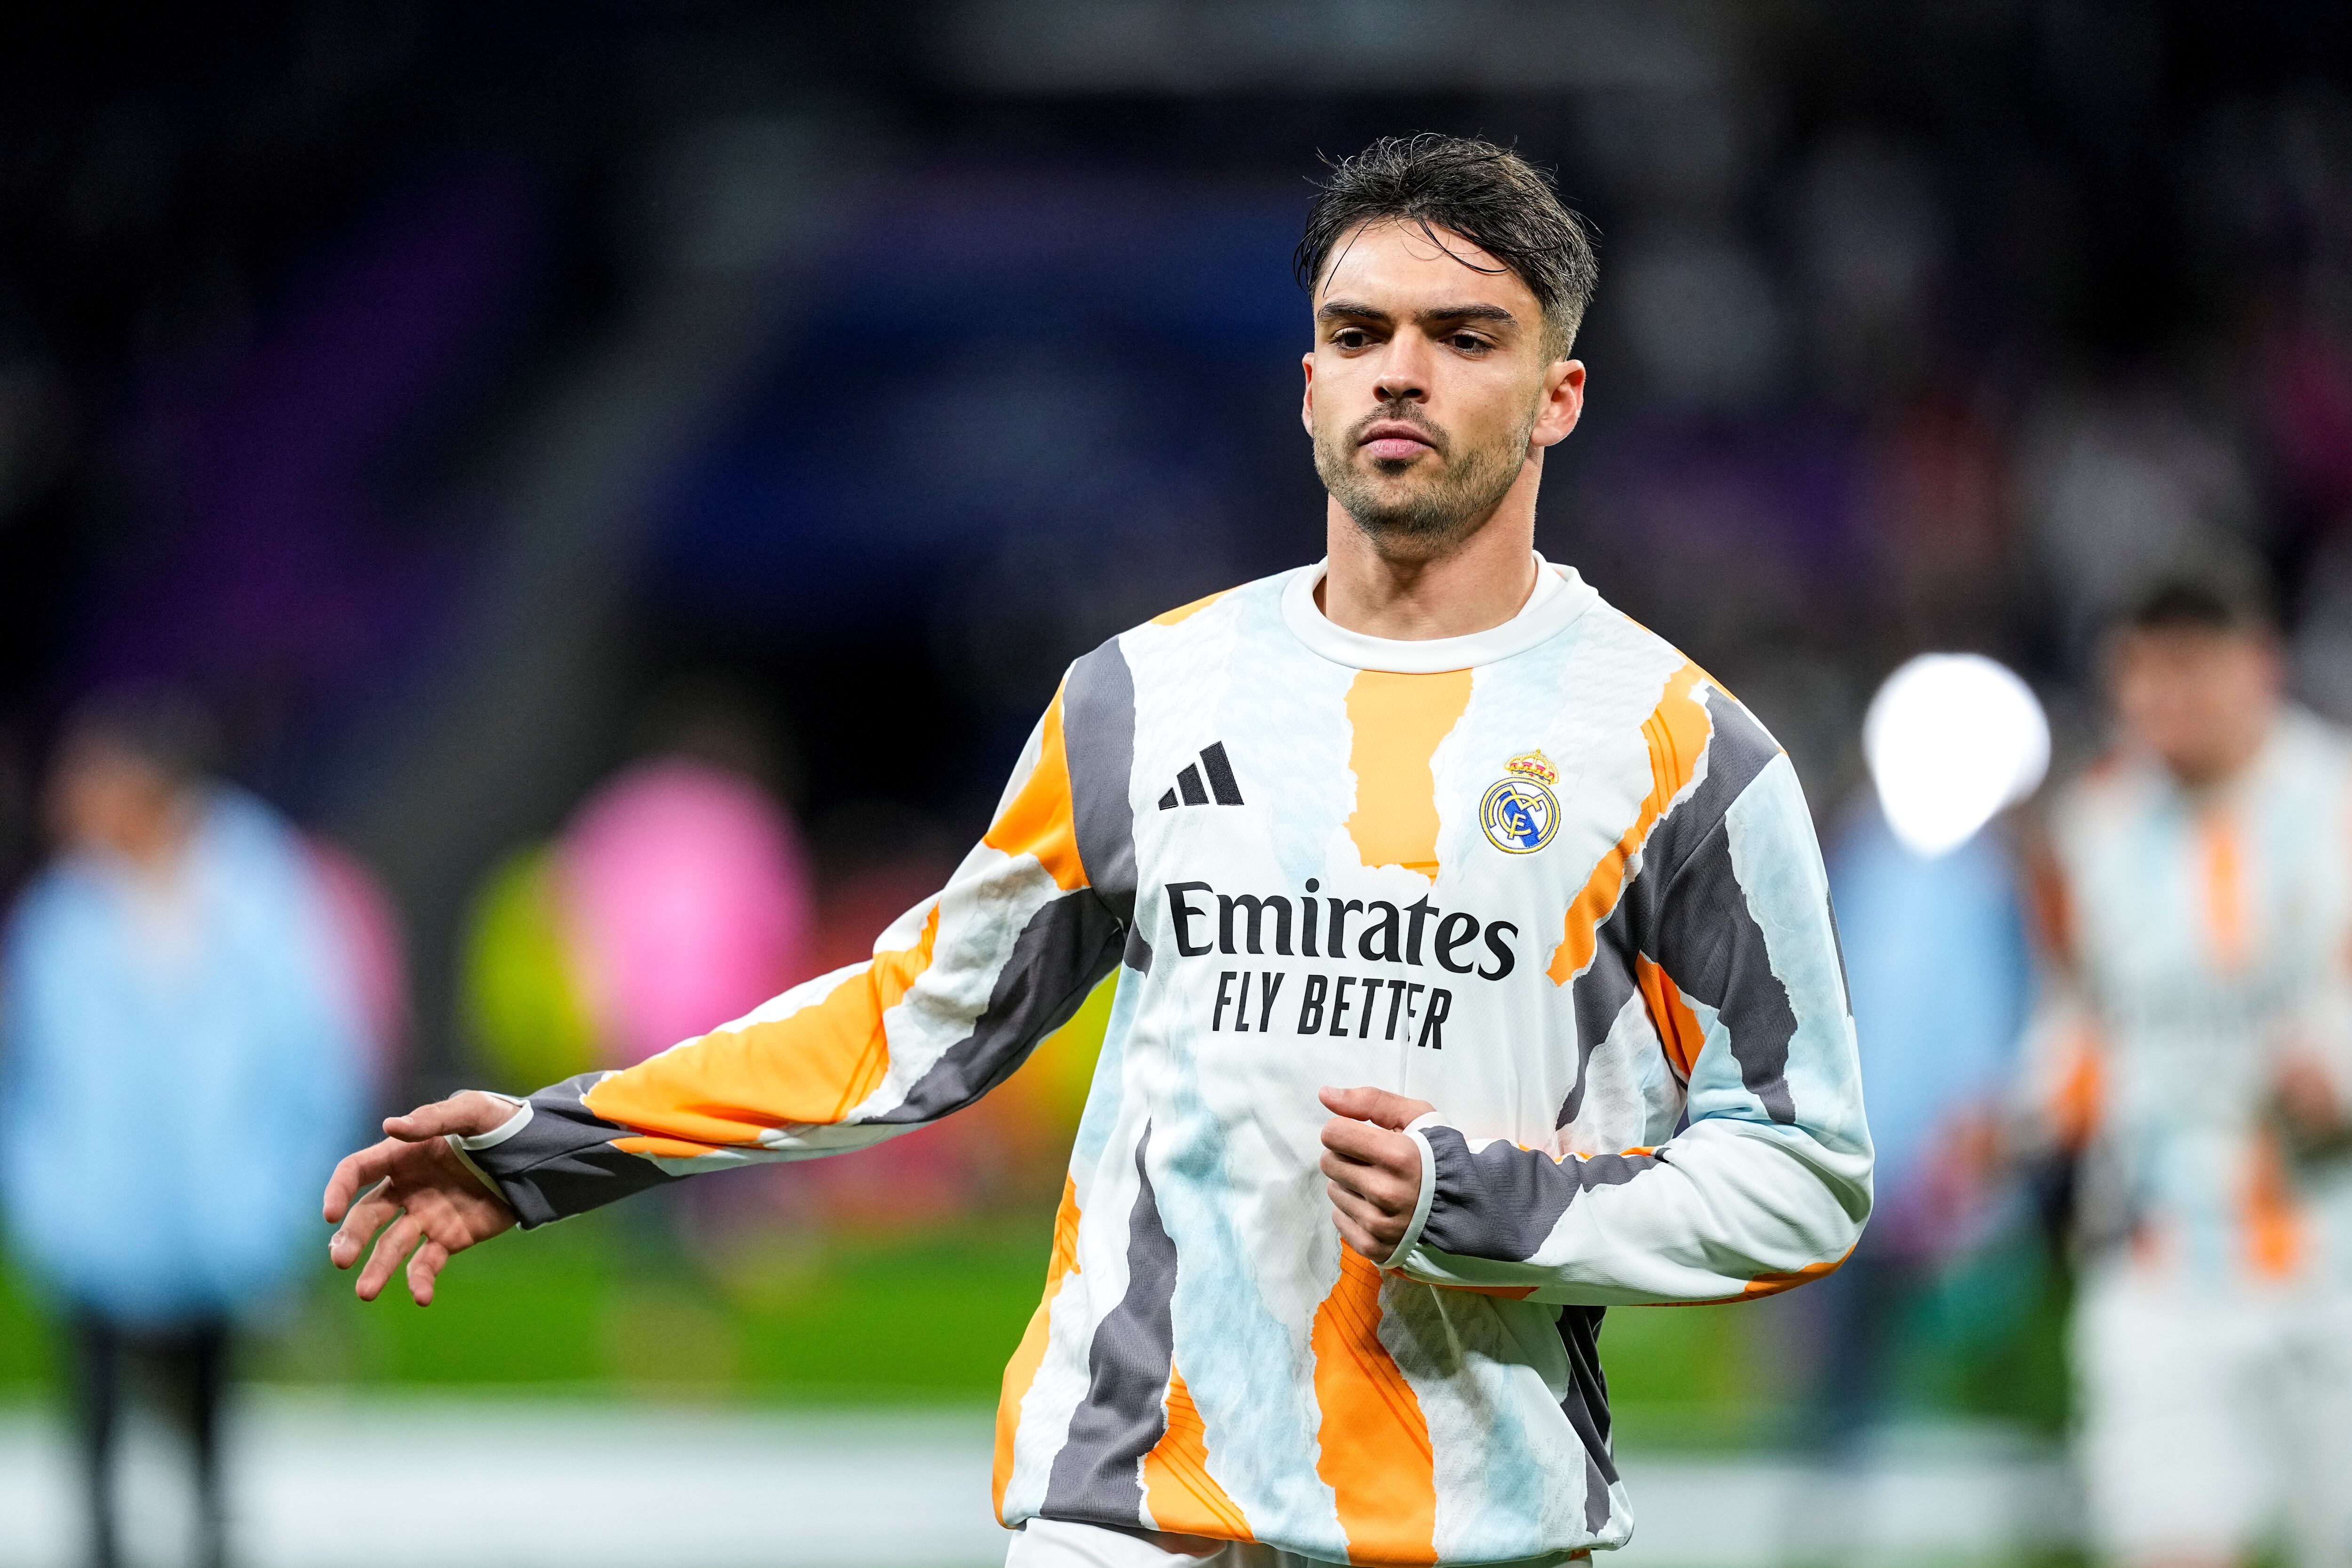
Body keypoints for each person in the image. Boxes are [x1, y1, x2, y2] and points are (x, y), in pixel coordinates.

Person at [326, 134, 1872, 1567]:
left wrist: (1504, 1207)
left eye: (1464, 338)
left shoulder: (1682, 753)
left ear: (1560, 394)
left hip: (1474, 1527)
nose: (1401, 374)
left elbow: (1804, 1169)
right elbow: (911, 1024)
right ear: (1309, 382)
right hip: (1127, 1510)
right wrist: (547, 1150)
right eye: (1358, 333)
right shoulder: (1144, 698)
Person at [2019, 572, 2352, 1568]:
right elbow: (2079, 1025)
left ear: (2257, 664)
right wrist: (2013, 1118)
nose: (2164, 705)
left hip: (2330, 1263)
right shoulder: (2092, 829)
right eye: (2142, 679)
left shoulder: (2336, 804)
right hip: (2159, 1262)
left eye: (2188, 675)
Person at [2, 692, 365, 1568]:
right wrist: (42, 1186)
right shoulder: (63, 917)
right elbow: (29, 1065)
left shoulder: (258, 897)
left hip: (216, 1202)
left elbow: (313, 1049)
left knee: (208, 1395)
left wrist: (291, 1180)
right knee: (93, 1406)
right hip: (95, 1205)